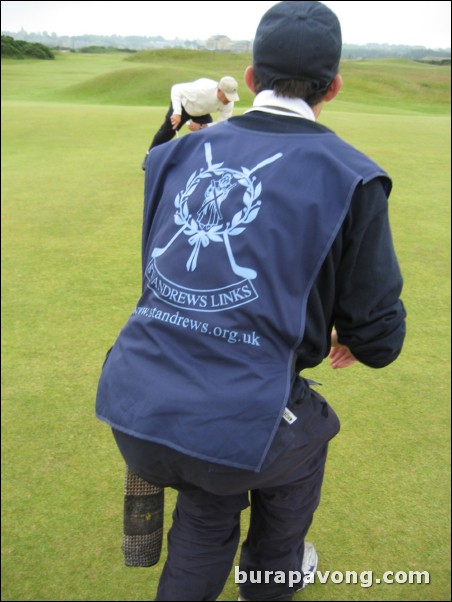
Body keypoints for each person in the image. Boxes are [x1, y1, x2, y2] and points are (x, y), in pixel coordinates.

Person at [96, 1, 406, 600]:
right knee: (302, 440)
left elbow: (158, 162)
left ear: (252, 76)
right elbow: (380, 340)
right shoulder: (354, 175)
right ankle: (274, 571)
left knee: (208, 511)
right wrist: (343, 335)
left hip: (134, 402)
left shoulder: (175, 153)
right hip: (234, 421)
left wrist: (179, 115)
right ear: (334, 87)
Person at [141, 76, 240, 170]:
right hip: (183, 106)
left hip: (201, 112)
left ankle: (201, 163)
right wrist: (177, 113)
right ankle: (149, 157)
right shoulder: (202, 89)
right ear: (219, 91)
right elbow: (176, 89)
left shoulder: (229, 103)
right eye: (227, 96)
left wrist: (203, 127)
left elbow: (222, 122)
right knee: (166, 132)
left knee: (209, 134)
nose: (229, 100)